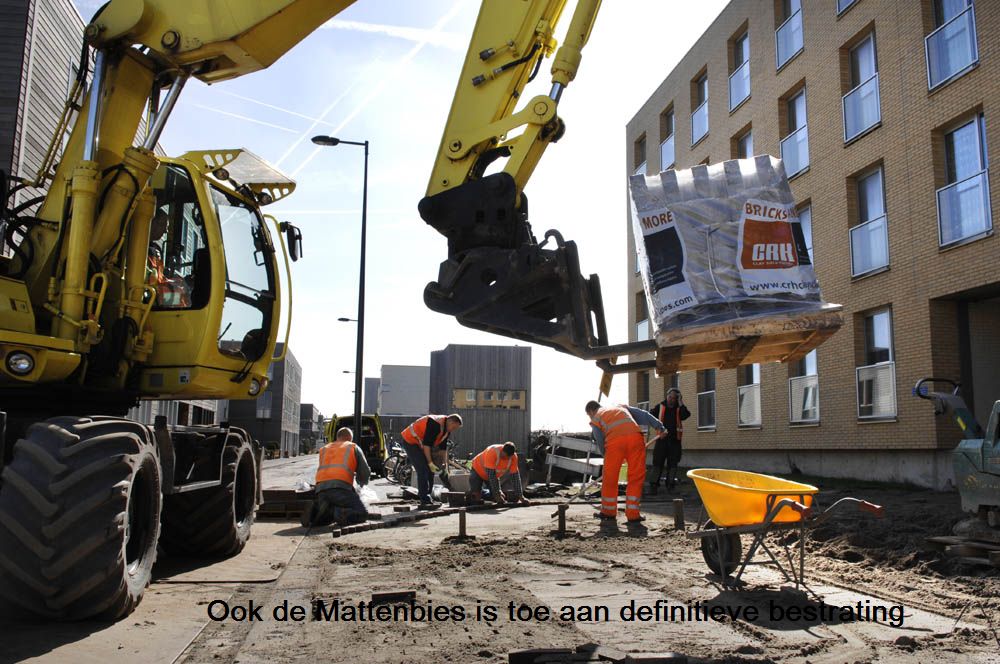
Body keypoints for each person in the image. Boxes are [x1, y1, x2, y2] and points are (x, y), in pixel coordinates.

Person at [586, 400, 665, 534]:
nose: (590, 417)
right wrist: (659, 427)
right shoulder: (620, 407)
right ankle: (633, 515)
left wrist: (608, 456)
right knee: (635, 478)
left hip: (614, 444)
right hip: (636, 439)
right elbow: (644, 415)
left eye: (589, 415)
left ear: (591, 411)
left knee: (610, 479)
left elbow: (600, 439)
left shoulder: (596, 417)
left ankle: (608, 512)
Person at [302, 427, 371, 527]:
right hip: (340, 489)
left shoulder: (325, 449)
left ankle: (314, 515)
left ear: (338, 437)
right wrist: (361, 484)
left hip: (321, 490)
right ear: (350, 438)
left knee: (328, 517)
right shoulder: (352, 447)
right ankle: (338, 512)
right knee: (362, 513)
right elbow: (365, 472)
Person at [400, 413, 463, 508]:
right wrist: (430, 462)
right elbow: (427, 445)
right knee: (423, 469)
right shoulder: (435, 423)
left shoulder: (446, 430)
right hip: (411, 441)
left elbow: (443, 448)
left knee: (430, 471)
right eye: (454, 427)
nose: (453, 430)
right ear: (450, 422)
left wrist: (444, 465)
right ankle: (424, 500)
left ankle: (428, 497)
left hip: (421, 444)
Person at [647, 388, 691, 494]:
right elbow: (650, 416)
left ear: (677, 399)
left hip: (675, 442)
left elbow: (686, 415)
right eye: (670, 397)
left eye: (674, 398)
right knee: (657, 464)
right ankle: (653, 486)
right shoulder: (660, 407)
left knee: (673, 465)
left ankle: (670, 486)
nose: (671, 399)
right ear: (666, 396)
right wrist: (657, 428)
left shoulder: (679, 408)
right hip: (661, 441)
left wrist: (681, 402)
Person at [146, 208, 191, 308]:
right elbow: (151, 280)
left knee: (184, 294)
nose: (166, 231)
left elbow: (159, 278)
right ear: (152, 222)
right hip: (151, 298)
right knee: (183, 300)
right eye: (163, 225)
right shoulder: (140, 249)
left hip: (155, 295)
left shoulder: (155, 249)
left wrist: (178, 282)